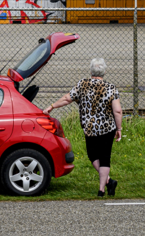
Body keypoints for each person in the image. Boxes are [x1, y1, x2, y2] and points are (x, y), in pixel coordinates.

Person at [45, 58, 123, 197]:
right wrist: (119, 128)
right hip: (107, 128)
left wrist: (51, 107)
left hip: (89, 128)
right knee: (105, 157)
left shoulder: (82, 84)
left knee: (93, 155)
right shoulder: (111, 87)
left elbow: (67, 98)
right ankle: (104, 186)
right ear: (104, 71)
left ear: (91, 71)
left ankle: (104, 187)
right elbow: (117, 111)